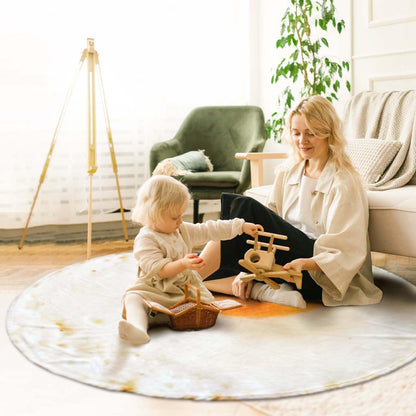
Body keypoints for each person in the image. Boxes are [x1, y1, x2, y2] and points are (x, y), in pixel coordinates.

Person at [198, 96, 383, 307]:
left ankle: (180, 286)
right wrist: (248, 268)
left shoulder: (344, 182)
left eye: (310, 134)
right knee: (205, 256)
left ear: (327, 133)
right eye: (296, 133)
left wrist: (306, 263)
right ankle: (263, 291)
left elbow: (347, 248)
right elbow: (268, 225)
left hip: (314, 272)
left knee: (244, 207)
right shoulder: (289, 172)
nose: (302, 141)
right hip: (283, 263)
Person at [119, 175, 263, 345]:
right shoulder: (146, 239)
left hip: (184, 289)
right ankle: (139, 328)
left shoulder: (181, 229)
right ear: (153, 214)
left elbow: (209, 230)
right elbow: (159, 271)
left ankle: (161, 317)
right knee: (133, 297)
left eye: (181, 215)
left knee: (204, 305)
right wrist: (183, 264)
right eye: (175, 217)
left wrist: (240, 226)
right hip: (156, 289)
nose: (180, 221)